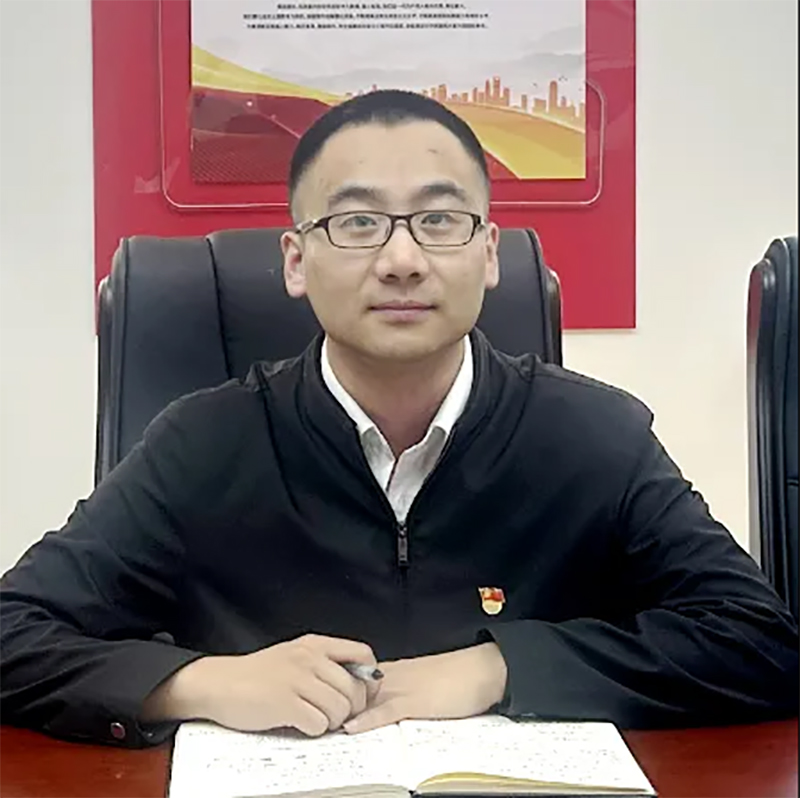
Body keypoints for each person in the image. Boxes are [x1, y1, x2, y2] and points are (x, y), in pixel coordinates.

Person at [0, 90, 797, 749]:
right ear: (296, 261)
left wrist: (498, 669)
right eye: (357, 223)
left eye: (439, 220)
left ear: (489, 252)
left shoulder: (594, 437)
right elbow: (14, 629)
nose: (403, 260)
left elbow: (760, 641)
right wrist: (201, 683)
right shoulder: (202, 445)